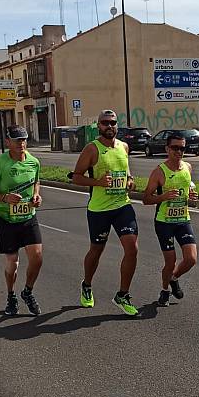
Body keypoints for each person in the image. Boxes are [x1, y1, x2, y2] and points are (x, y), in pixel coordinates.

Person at [72, 109, 139, 315]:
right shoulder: (92, 149)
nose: (109, 126)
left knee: (132, 248)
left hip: (122, 205)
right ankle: (87, 284)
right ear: (98, 126)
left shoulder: (124, 147)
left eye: (113, 123)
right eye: (105, 123)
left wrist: (130, 181)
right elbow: (76, 177)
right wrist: (98, 182)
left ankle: (122, 295)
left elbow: (127, 172)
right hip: (99, 209)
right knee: (96, 250)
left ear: (117, 125)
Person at [0, 125, 43, 316]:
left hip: (28, 217)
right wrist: (4, 198)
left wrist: (36, 196)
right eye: (17, 140)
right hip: (6, 219)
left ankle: (28, 292)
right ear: (8, 142)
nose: (21, 143)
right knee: (12, 263)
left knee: (37, 258)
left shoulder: (34, 162)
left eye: (24, 139)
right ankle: (11, 295)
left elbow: (36, 182)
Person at [143, 134, 198, 307]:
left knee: (191, 259)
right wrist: (164, 196)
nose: (179, 151)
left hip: (183, 219)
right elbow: (146, 198)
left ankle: (174, 278)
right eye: (175, 148)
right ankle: (165, 290)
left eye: (182, 148)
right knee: (170, 261)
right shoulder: (159, 171)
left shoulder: (188, 167)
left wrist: (192, 196)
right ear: (167, 149)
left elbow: (189, 187)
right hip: (164, 222)